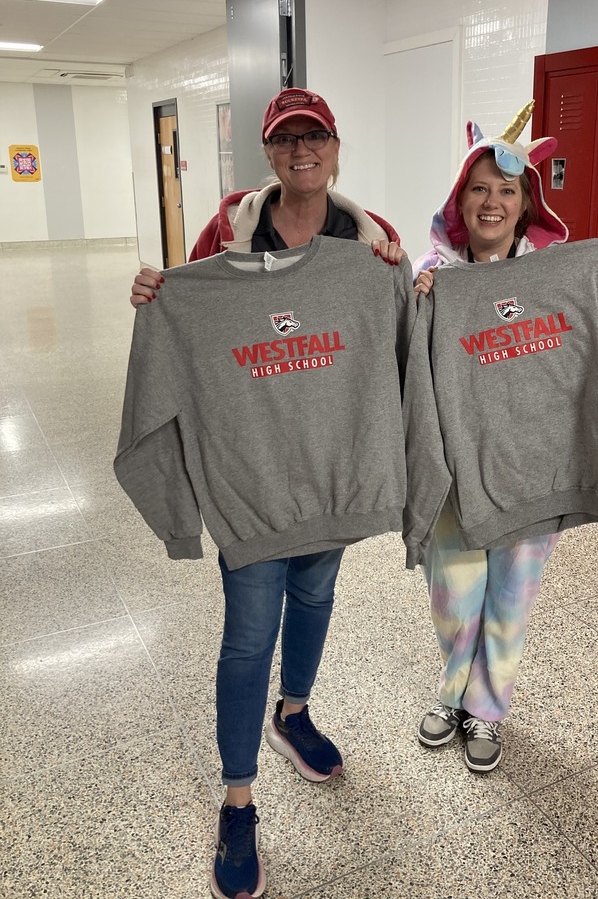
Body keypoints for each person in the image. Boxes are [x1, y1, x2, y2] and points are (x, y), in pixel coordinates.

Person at [128, 87, 405, 899]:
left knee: (316, 596)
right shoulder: (229, 234)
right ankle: (238, 799)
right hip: (252, 483)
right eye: (287, 140)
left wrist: (411, 286)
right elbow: (189, 308)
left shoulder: (368, 244)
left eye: (314, 136)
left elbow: (405, 337)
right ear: (269, 154)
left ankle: (294, 713)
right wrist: (158, 294)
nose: (302, 150)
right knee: (249, 631)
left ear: (335, 146)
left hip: (331, 472)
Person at [411, 105, 598, 774]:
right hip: (456, 467)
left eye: (507, 190)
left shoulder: (556, 274)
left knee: (511, 595)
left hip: (534, 466)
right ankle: (453, 690)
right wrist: (417, 297)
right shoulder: (435, 275)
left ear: (526, 203)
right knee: (456, 591)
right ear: (459, 199)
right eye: (479, 188)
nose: (492, 202)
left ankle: (486, 708)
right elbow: (405, 365)